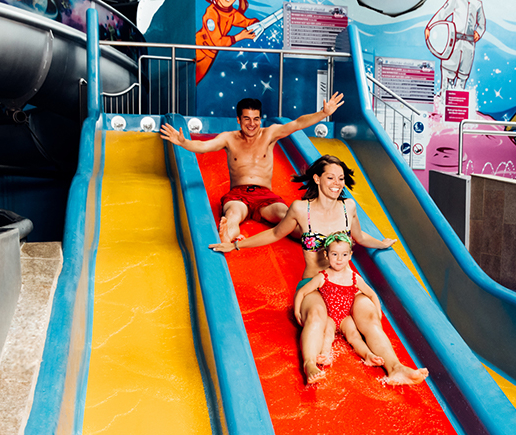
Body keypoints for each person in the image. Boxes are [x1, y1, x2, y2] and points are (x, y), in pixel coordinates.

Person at [209, 154, 429, 387]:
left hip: (346, 284)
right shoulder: (301, 209)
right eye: (331, 177)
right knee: (315, 317)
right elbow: (275, 234)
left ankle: (395, 367)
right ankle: (310, 364)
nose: (337, 183)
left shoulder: (348, 207)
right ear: (316, 178)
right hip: (315, 284)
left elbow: (359, 236)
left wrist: (381, 242)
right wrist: (236, 244)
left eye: (341, 178)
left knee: (370, 317)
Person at [160, 94, 344, 243]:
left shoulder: (270, 134)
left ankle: (318, 238)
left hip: (265, 196)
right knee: (233, 214)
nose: (252, 124)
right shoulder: (229, 138)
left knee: (286, 216)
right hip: (238, 195)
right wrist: (183, 142)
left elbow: (297, 124)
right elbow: (203, 147)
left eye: (256, 119)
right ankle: (228, 234)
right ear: (238, 119)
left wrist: (322, 113)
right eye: (246, 119)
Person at [293, 232, 385, 368]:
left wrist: (378, 313)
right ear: (326, 255)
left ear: (350, 256)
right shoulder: (323, 277)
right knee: (328, 335)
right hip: (329, 316)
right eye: (334, 254)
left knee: (355, 336)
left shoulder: (354, 277)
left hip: (345, 317)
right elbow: (302, 292)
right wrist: (297, 312)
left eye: (344, 254)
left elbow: (372, 294)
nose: (339, 259)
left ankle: (368, 355)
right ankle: (324, 355)